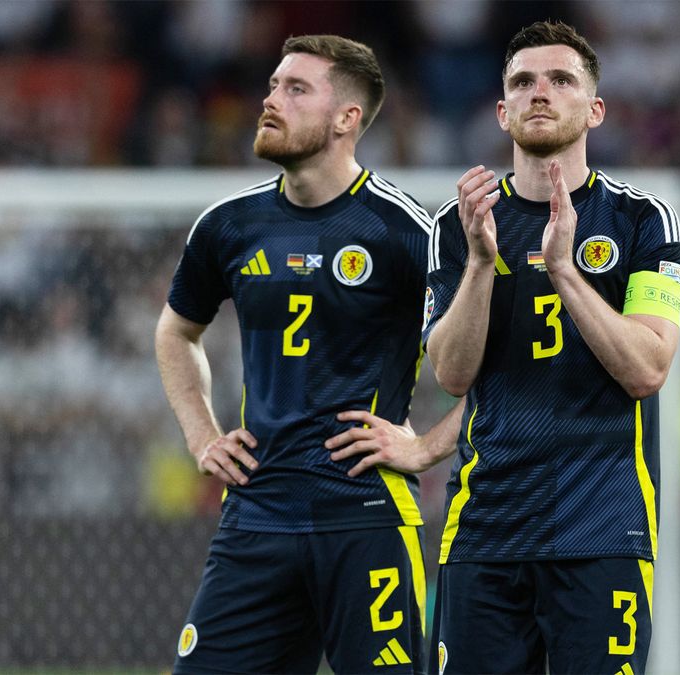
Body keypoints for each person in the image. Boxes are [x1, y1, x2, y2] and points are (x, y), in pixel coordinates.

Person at [155, 34, 457, 674]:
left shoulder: (404, 231)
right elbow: (175, 332)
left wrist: (427, 446)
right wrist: (202, 435)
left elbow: (495, 364)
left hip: (366, 519)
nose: (270, 101)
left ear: (347, 118)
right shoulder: (228, 226)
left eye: (296, 89)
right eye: (272, 86)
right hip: (256, 515)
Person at [413, 20, 680, 674]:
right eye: (523, 82)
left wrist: (564, 270)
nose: (541, 92)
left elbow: (648, 367)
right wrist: (482, 264)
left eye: (561, 79)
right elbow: (451, 372)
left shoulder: (641, 221)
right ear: (502, 111)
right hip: (486, 529)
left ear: (594, 109)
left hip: (602, 530)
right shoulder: (459, 224)